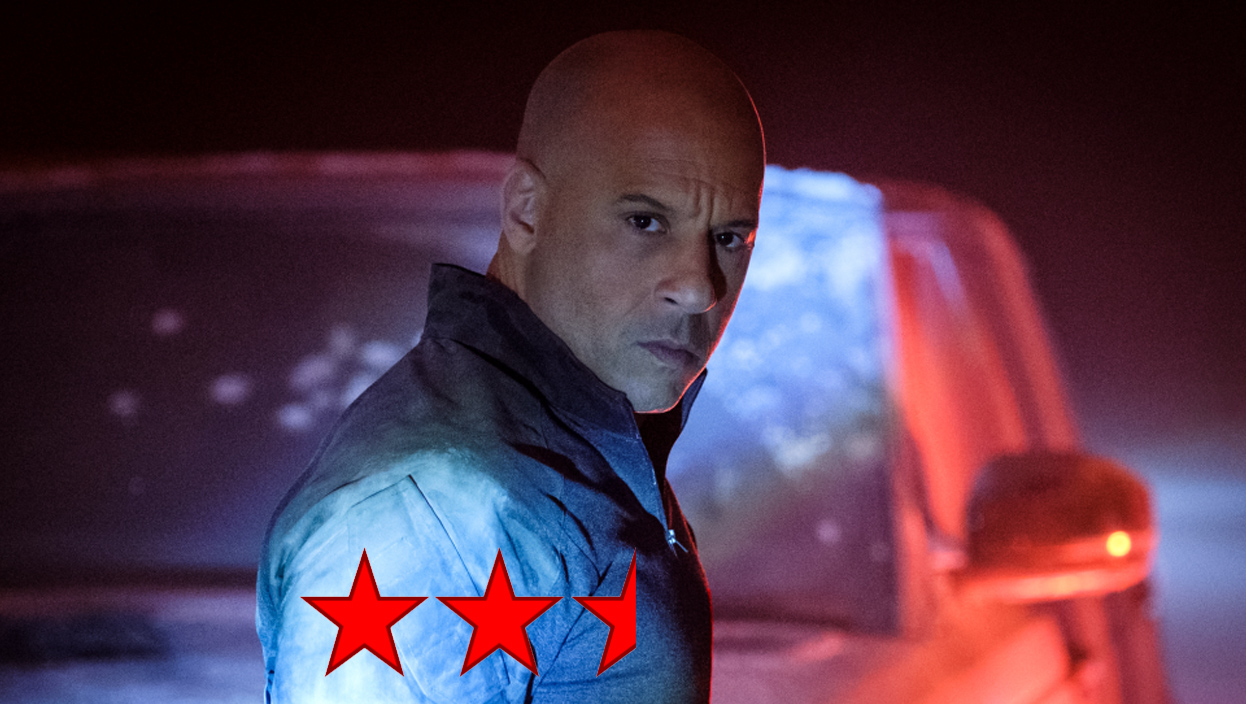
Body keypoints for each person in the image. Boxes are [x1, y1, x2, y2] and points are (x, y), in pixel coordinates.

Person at [257, 29, 765, 703]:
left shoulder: (570, 456)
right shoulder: (434, 509)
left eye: (728, 238)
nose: (699, 287)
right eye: (645, 222)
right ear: (526, 210)